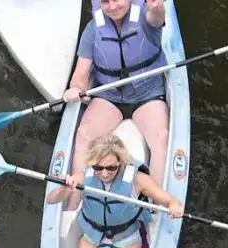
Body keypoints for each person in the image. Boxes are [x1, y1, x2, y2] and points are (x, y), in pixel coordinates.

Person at [47, 133, 183, 248]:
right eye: (98, 168)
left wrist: (175, 206)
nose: (104, 174)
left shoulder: (137, 179)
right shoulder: (84, 177)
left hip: (126, 243)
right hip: (91, 240)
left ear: (120, 162)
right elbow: (51, 199)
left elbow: (170, 200)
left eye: (111, 168)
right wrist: (64, 189)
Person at [63, 0, 170, 185]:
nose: (112, 7)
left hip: (147, 94)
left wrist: (157, 7)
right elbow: (80, 74)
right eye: (105, 2)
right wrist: (75, 88)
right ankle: (75, 195)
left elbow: (156, 19)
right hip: (109, 97)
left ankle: (158, 198)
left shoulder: (146, 15)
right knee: (83, 134)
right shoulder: (92, 30)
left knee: (161, 137)